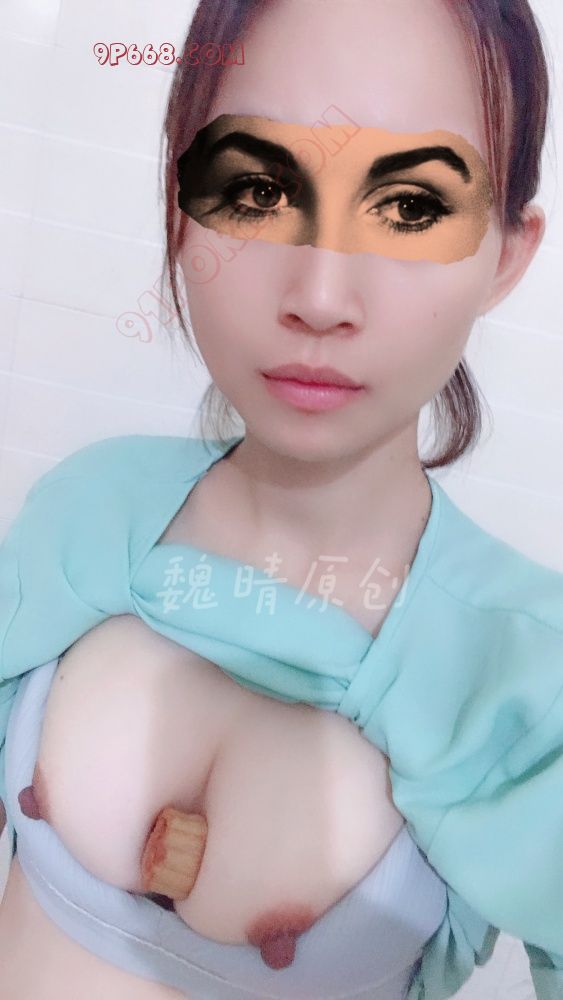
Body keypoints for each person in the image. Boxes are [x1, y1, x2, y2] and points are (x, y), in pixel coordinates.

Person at [0, 0, 560, 997]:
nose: (320, 296)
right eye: (257, 189)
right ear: (180, 203)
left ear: (506, 256)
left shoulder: (525, 676)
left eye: (410, 207)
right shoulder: (87, 511)